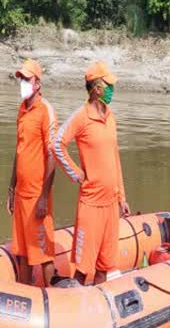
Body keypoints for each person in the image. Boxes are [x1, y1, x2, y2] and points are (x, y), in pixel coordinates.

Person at [52, 61, 131, 285]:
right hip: (91, 203)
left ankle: (99, 310)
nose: (112, 89)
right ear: (97, 88)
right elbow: (57, 144)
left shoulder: (110, 116)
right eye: (109, 85)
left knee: (104, 267)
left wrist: (122, 197)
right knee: (83, 269)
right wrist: (76, 173)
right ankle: (74, 307)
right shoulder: (81, 116)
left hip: (110, 204)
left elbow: (115, 158)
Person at [7, 59, 58, 285]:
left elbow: (53, 156)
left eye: (27, 79)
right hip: (20, 194)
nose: (23, 83)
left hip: (37, 196)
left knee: (44, 254)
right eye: (21, 79)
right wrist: (11, 187)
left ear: (38, 83)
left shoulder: (45, 110)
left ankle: (53, 302)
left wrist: (44, 198)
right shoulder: (22, 110)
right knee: (22, 254)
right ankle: (25, 297)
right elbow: (19, 150)